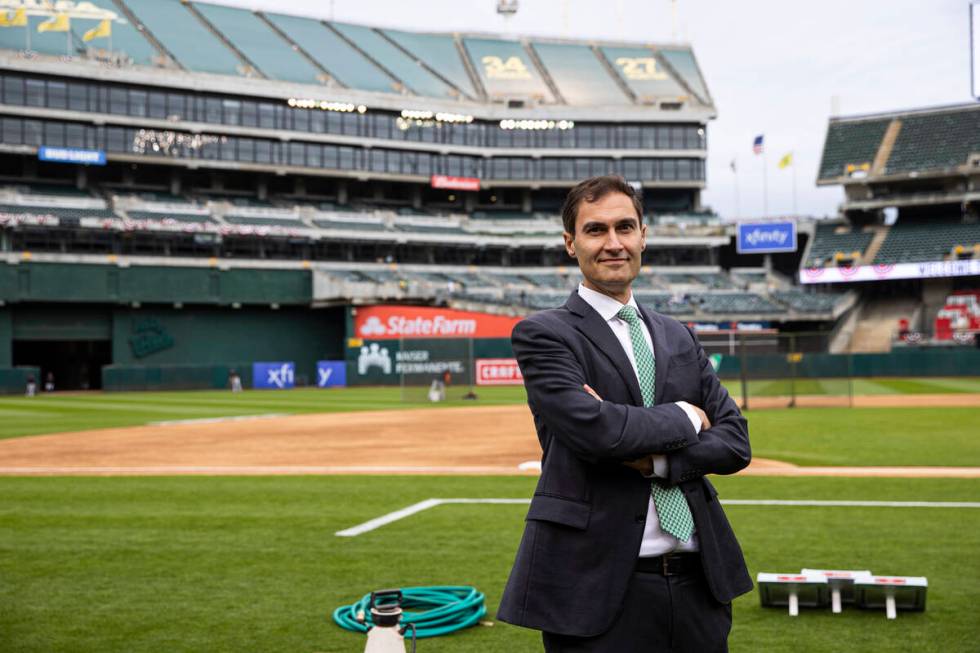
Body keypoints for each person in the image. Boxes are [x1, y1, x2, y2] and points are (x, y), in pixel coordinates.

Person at [497, 175, 752, 652]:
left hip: (699, 583)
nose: (613, 243)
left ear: (643, 236)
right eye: (596, 231)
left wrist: (658, 460)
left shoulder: (679, 335)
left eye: (625, 228)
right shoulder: (544, 334)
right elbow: (600, 433)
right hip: (595, 589)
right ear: (571, 243)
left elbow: (736, 441)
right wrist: (688, 416)